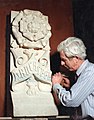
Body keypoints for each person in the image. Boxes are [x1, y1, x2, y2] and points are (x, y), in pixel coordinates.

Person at [52, 37, 94, 120]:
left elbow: (71, 101)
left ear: (76, 59)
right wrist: (70, 87)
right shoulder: (80, 74)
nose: (62, 63)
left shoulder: (90, 72)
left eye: (64, 60)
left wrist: (56, 85)